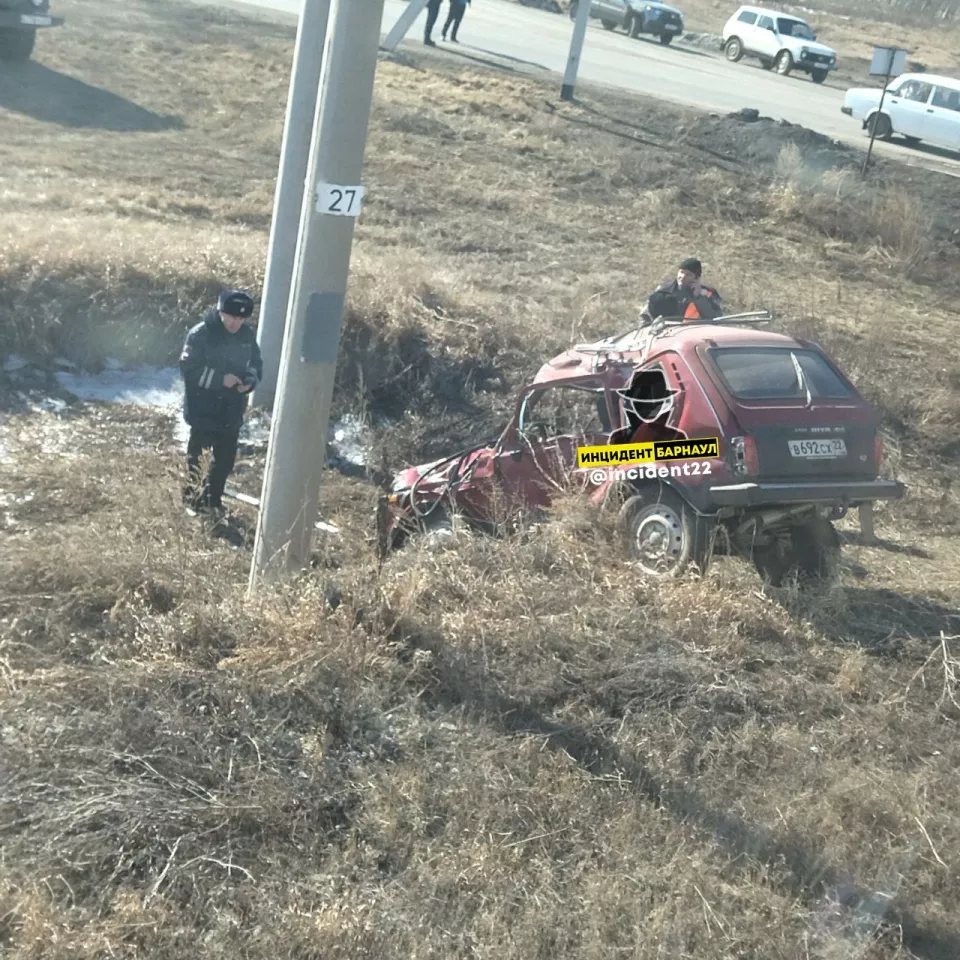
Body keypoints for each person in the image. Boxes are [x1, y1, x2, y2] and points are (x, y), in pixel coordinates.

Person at [179, 289, 262, 515]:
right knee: (199, 457)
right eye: (232, 317)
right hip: (204, 408)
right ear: (220, 312)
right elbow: (189, 370)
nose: (236, 322)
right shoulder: (200, 334)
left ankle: (213, 501)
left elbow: (256, 363)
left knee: (225, 460)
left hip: (232, 409)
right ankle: (192, 500)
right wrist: (219, 379)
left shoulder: (246, 335)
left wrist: (249, 381)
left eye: (241, 318)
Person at [640, 257, 725, 325]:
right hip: (668, 333)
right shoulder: (664, 290)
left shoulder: (708, 293)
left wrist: (698, 298)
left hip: (698, 335)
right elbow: (646, 315)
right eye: (681, 272)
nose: (683, 276)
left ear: (696, 278)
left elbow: (715, 319)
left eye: (688, 274)